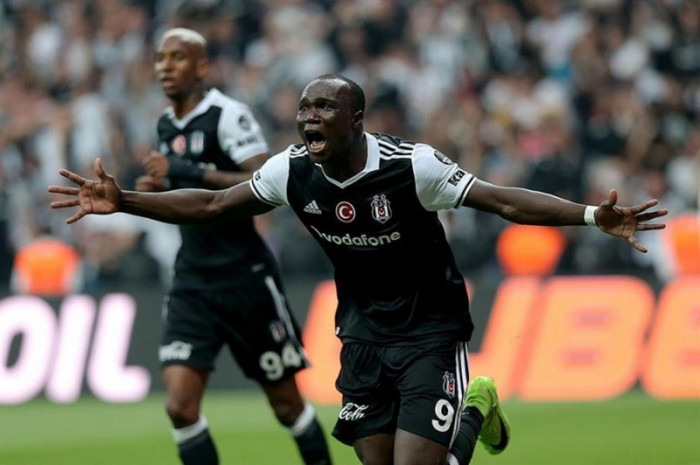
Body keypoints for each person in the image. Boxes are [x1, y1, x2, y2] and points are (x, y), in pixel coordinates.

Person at [49, 73, 667, 465]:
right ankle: (475, 412)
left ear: (356, 119)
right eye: (303, 108)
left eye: (324, 107)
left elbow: (501, 199)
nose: (308, 118)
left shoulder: (411, 166)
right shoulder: (292, 170)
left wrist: (592, 215)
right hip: (364, 335)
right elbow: (213, 206)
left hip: (429, 331)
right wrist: (125, 201)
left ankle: (472, 405)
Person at [110, 29, 333, 465]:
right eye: (160, 59)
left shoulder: (228, 116)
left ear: (202, 67)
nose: (165, 67)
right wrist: (162, 185)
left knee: (287, 406)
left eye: (178, 58)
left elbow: (267, 181)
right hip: (192, 280)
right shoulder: (164, 124)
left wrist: (187, 170)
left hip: (243, 278)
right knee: (180, 407)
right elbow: (185, 187)